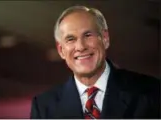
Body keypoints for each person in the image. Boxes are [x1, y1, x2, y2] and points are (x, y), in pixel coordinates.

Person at [30, 6, 160, 119]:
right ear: (61, 50)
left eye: (88, 35)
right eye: (70, 39)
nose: (81, 46)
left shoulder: (151, 92)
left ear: (105, 39)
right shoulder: (43, 107)